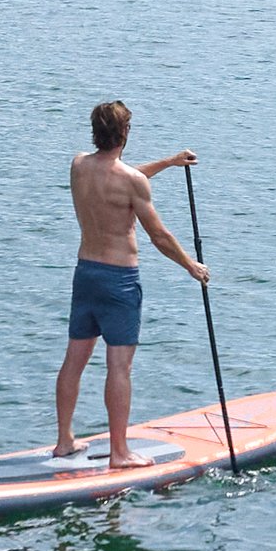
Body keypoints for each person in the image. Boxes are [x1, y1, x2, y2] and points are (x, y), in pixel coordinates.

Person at [56, 99, 206, 465]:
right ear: (125, 133)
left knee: (73, 361)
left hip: (85, 274)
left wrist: (169, 163)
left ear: (96, 132)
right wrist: (192, 266)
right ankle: (120, 453)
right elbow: (159, 236)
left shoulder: (78, 166)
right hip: (119, 281)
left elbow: (116, 177)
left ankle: (64, 441)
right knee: (119, 367)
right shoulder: (131, 182)